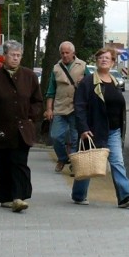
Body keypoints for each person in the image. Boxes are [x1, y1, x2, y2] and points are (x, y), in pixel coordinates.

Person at [0, 40, 42, 213]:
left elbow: (37, 101)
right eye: (12, 55)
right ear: (4, 56)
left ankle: (19, 197)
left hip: (22, 129)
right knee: (3, 164)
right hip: (0, 129)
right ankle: (5, 197)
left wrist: (30, 116)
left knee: (19, 163)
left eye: (18, 55)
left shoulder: (29, 76)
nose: (15, 58)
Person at [71, 47, 129, 209]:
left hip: (113, 130)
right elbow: (79, 106)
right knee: (88, 163)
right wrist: (83, 129)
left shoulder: (115, 82)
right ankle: (79, 195)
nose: (104, 60)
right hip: (93, 129)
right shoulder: (88, 82)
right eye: (101, 57)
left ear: (113, 62)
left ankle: (125, 197)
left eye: (107, 58)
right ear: (97, 60)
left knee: (117, 162)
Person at [43, 41, 88, 173]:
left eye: (67, 53)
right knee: (56, 136)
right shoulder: (56, 68)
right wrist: (49, 109)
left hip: (76, 108)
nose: (64, 55)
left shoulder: (82, 66)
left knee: (75, 138)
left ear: (73, 53)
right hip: (60, 107)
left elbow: (90, 86)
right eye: (62, 53)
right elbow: (50, 91)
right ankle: (62, 158)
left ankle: (74, 165)